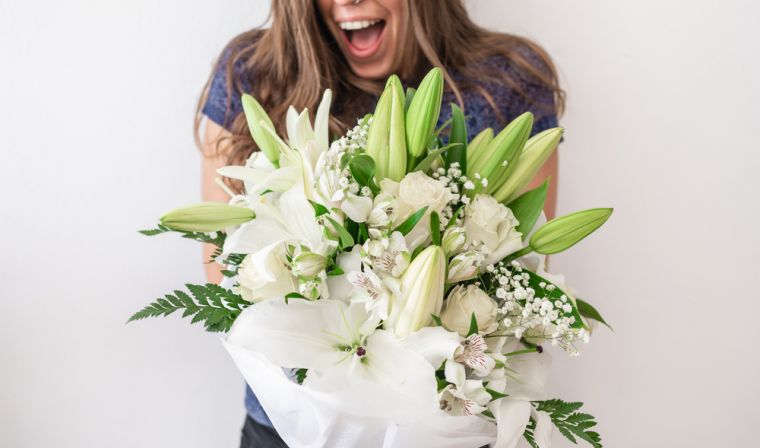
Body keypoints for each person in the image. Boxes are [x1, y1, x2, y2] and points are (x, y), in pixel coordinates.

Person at [196, 0, 564, 445]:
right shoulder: (256, 71)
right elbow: (225, 265)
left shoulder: (505, 82)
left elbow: (526, 269)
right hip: (285, 429)